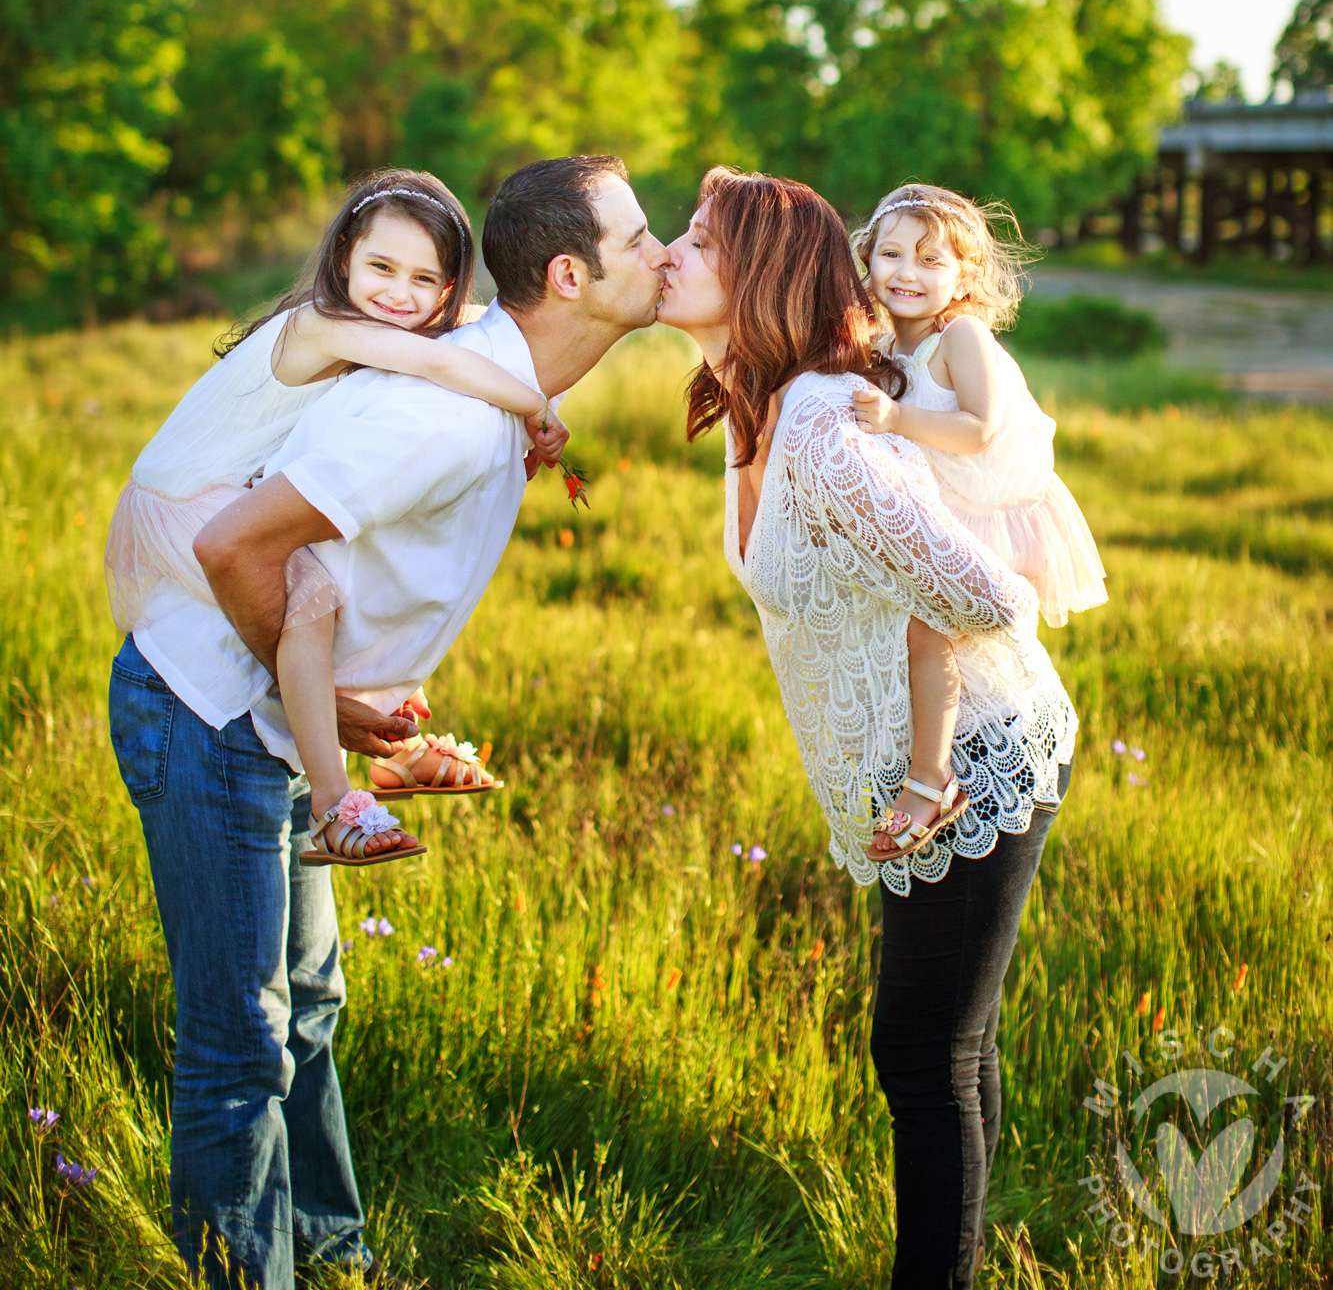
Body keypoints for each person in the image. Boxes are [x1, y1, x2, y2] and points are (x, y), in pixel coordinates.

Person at [108, 154, 668, 1290]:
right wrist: (341, 706)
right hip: (204, 708)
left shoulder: (488, 387)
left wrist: (361, 712)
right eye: (645, 234)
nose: (664, 252)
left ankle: (333, 1253)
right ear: (570, 273)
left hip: (265, 709)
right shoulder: (445, 418)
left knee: (307, 1006)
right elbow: (231, 546)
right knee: (240, 1048)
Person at [657, 166, 1077, 1290]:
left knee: (921, 1051)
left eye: (694, 240)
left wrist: (931, 765)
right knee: (953, 1041)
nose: (668, 251)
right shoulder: (760, 403)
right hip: (908, 770)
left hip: (977, 755)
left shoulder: (822, 425)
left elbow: (989, 597)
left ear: (753, 276)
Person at [106, 169, 566, 870]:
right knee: (312, 601)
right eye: (381, 267)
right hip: (188, 496)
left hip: (232, 485)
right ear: (345, 253)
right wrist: (535, 406)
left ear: (446, 288)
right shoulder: (325, 323)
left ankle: (398, 750)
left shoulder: (385, 318)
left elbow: (471, 325)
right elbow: (437, 366)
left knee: (357, 571)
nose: (398, 294)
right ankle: (332, 805)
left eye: (423, 280)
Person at [846, 182, 1104, 864]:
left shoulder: (959, 335)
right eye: (892, 254)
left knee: (927, 629)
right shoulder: (880, 341)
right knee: (908, 631)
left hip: (993, 510)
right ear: (866, 260)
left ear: (964, 277)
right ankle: (916, 752)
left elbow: (979, 427)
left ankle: (931, 782)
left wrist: (897, 417)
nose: (906, 272)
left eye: (931, 261)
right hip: (941, 509)